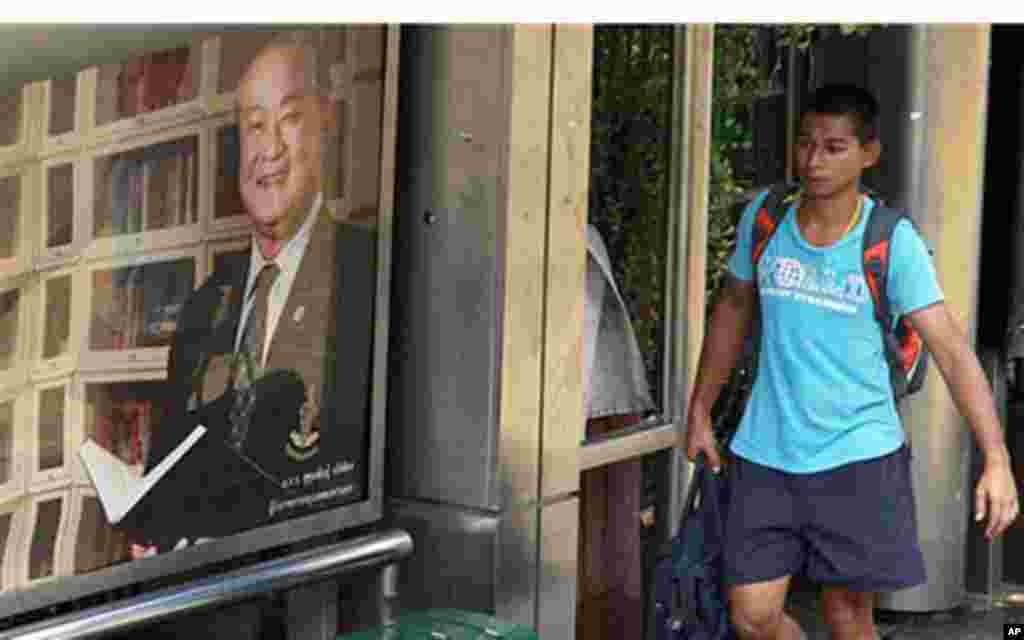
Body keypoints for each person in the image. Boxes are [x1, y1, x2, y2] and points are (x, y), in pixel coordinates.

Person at [684, 83, 1019, 640]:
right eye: (806, 144)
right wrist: (700, 408)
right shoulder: (765, 221)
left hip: (858, 458)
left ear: (870, 153)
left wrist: (997, 456)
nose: (814, 160)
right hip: (766, 453)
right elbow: (733, 307)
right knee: (752, 614)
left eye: (834, 147)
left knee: (847, 617)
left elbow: (954, 355)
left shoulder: (891, 241)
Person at [134, 32, 377, 555]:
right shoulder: (204, 306)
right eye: (253, 126)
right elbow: (168, 468)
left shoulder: (369, 275)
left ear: (325, 123)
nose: (269, 150)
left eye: (288, 118)